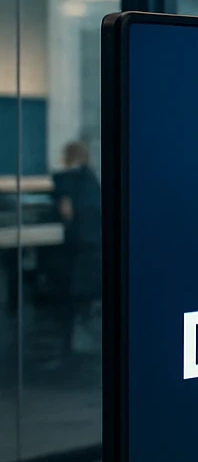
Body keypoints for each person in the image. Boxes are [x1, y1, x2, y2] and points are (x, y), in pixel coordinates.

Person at [51, 141, 102, 356]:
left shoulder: (71, 181)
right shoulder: (90, 180)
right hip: (94, 246)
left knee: (77, 297)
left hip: (82, 248)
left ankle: (73, 343)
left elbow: (65, 210)